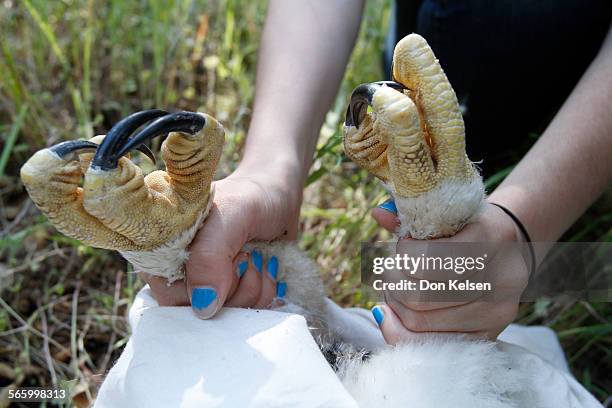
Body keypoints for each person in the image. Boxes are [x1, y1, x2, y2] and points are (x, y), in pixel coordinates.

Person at [142, 0, 612, 341]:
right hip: (440, 50)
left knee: (590, 270)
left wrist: (523, 228)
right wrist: (271, 171)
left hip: (579, 108)